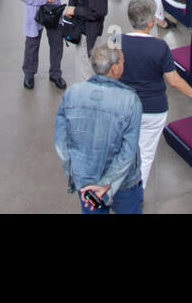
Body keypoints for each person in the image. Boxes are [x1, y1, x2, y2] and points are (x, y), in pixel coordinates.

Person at [120, 0, 192, 187]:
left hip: (123, 107)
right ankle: (137, 191)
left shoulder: (116, 41)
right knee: (145, 153)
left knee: (122, 148)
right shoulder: (159, 47)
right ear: (150, 22)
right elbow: (173, 81)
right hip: (153, 109)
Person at [54, 43, 143, 214]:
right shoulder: (130, 100)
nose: (125, 63)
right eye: (123, 61)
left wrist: (75, 175)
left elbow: (61, 144)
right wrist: (106, 183)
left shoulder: (72, 93)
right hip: (123, 183)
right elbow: (128, 152)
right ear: (114, 68)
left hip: (86, 181)